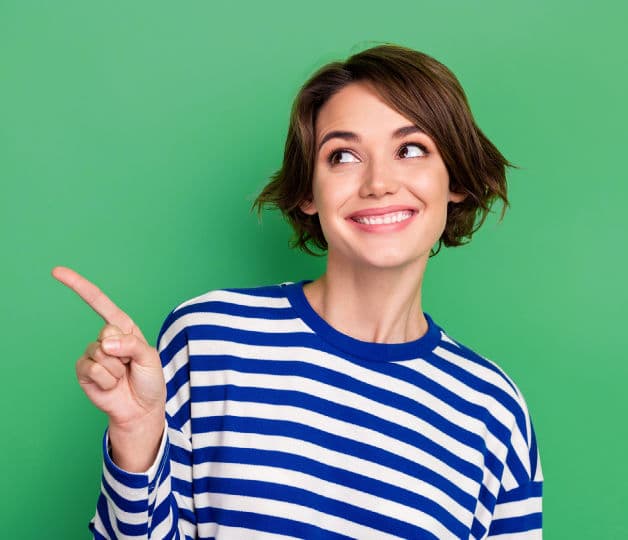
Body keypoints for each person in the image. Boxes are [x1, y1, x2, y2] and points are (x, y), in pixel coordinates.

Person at [53, 43, 543, 539]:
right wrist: (136, 436)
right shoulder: (210, 339)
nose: (378, 183)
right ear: (309, 191)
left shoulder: (492, 412)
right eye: (343, 155)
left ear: (454, 177)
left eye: (410, 149)